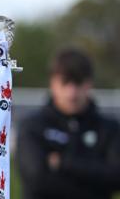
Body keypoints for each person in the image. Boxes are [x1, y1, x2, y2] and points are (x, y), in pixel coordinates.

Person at [17, 48, 120, 199]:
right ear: (52, 83)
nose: (72, 92)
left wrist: (64, 163)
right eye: (65, 82)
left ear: (89, 83)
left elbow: (116, 177)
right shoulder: (32, 126)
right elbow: (37, 180)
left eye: (78, 82)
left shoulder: (109, 128)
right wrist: (95, 183)